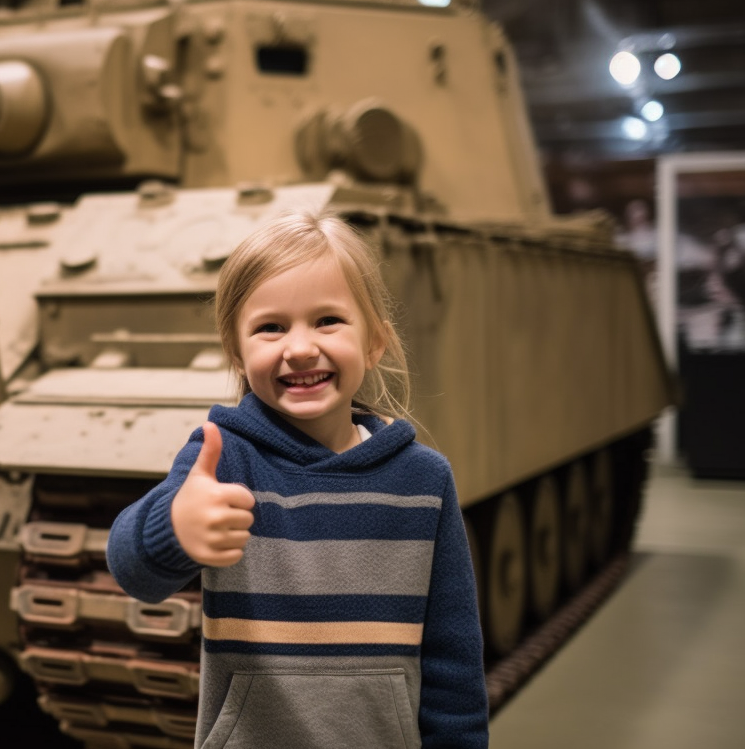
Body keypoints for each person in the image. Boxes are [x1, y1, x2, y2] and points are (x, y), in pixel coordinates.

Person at [106, 211, 488, 749]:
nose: (301, 347)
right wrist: (174, 526)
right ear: (238, 352)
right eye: (271, 327)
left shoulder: (423, 480)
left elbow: (453, 659)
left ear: (375, 341)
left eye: (328, 319)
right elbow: (131, 569)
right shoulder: (224, 460)